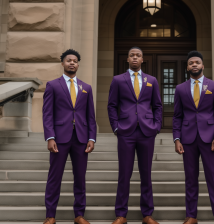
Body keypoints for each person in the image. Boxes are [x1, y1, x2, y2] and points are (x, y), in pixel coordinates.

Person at [107, 46, 162, 224]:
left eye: (138, 55)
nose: (135, 58)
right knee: (124, 174)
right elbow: (111, 105)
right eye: (132, 55)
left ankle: (147, 214)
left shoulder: (151, 80)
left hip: (147, 132)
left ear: (142, 59)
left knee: (146, 174)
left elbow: (158, 106)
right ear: (128, 59)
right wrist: (116, 127)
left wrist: (156, 126)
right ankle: (121, 214)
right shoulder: (118, 80)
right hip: (126, 132)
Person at [42, 49, 97, 224]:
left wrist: (91, 138)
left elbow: (90, 116)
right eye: (68, 60)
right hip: (59, 138)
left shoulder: (86, 88)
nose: (72, 63)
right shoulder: (53, 85)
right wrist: (50, 137)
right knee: (54, 177)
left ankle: (79, 215)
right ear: (62, 63)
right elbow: (47, 114)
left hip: (81, 139)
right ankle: (50, 216)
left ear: (78, 64)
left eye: (75, 60)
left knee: (80, 178)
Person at [173, 50, 214, 224]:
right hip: (188, 139)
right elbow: (177, 116)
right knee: (190, 178)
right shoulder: (180, 89)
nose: (194, 65)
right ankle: (191, 216)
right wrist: (177, 138)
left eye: (197, 62)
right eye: (191, 63)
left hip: (209, 138)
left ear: (203, 65)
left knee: (213, 177)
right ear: (187, 67)